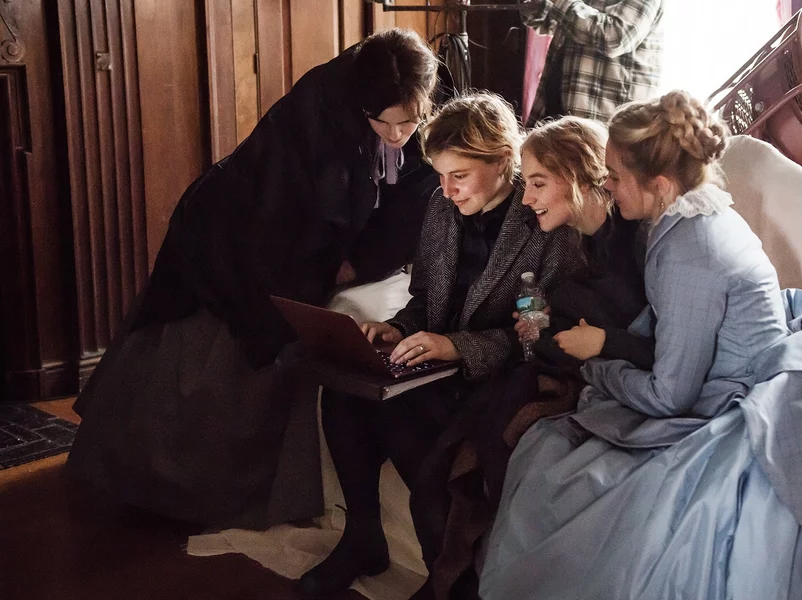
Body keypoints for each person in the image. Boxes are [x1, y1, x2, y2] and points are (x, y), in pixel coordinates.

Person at [480, 91, 802, 599]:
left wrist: (596, 365)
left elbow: (670, 396)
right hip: (754, 359)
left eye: (614, 176)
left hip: (746, 395)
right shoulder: (699, 211)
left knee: (571, 481)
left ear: (658, 183)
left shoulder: (687, 250)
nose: (607, 185)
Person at [67, 28, 440, 530]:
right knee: (238, 344)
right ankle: (171, 489)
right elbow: (289, 222)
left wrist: (362, 259)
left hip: (283, 219)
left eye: (408, 122)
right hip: (236, 226)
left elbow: (409, 192)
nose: (396, 135)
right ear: (361, 107)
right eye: (382, 122)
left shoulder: (417, 104)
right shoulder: (320, 114)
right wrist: (332, 268)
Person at [296, 92, 582, 600]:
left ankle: (448, 577)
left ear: (502, 161)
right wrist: (397, 329)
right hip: (438, 362)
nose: (446, 190)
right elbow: (426, 298)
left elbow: (538, 337)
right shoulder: (441, 205)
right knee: (342, 393)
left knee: (400, 421)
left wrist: (457, 348)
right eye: (440, 175)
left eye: (460, 176)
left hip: (499, 375)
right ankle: (362, 536)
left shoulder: (545, 220)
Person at [405, 115, 654, 600]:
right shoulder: (577, 233)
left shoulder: (629, 240)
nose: (525, 197)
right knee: (441, 457)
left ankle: (463, 582)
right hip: (546, 363)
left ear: (579, 176)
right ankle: (449, 580)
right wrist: (540, 329)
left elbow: (641, 335)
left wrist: (593, 341)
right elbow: (550, 320)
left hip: (588, 378)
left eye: (537, 183)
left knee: (480, 445)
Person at [520, 0, 665, 125]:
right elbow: (553, 20)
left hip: (602, 124)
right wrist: (534, 6)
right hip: (554, 108)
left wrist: (558, 2)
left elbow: (615, 37)